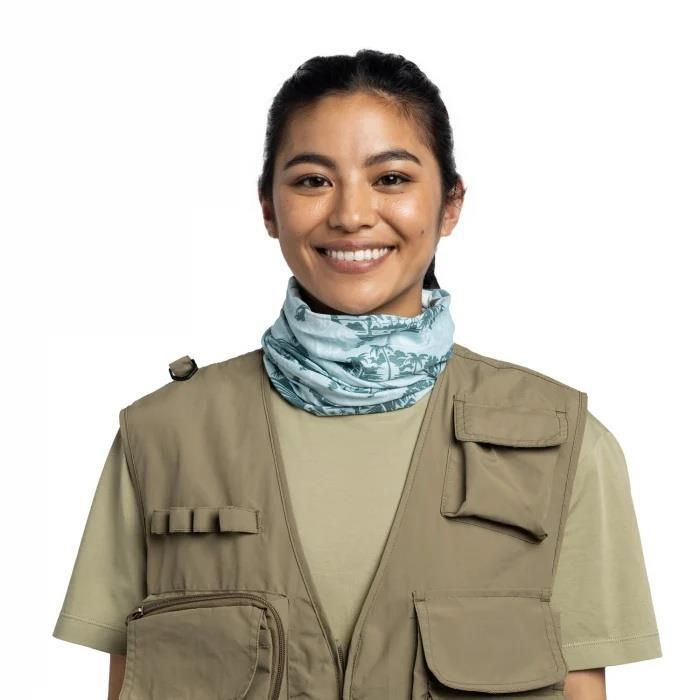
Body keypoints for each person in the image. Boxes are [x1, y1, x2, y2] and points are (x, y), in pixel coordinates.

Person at [52, 49, 661, 699]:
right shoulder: (161, 439)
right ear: (268, 208)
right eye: (313, 180)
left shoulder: (566, 447)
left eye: (391, 178)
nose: (350, 214)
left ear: (450, 204)